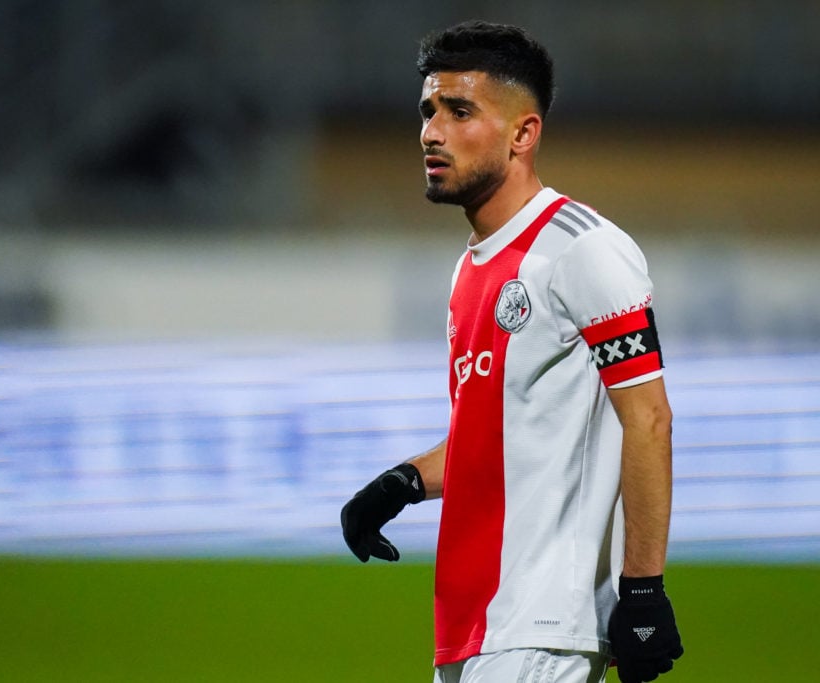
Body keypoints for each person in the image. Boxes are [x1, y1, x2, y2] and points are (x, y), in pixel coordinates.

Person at [340, 20, 683, 683]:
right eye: (428, 110)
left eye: (459, 111)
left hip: (543, 626)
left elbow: (648, 417)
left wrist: (643, 589)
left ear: (524, 133)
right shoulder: (468, 271)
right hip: (473, 626)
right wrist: (401, 483)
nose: (431, 133)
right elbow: (499, 434)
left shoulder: (583, 248)